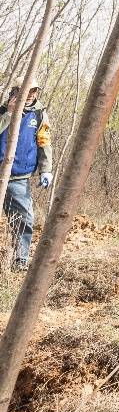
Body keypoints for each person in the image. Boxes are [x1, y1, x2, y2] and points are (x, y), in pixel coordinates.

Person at [1, 85, 51, 272]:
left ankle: (20, 259)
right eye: (25, 91)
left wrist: (46, 169)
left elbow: (44, 142)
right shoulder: (2, 110)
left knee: (24, 219)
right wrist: (9, 114)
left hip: (19, 176)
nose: (30, 95)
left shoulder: (39, 114)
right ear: (14, 92)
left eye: (34, 91)